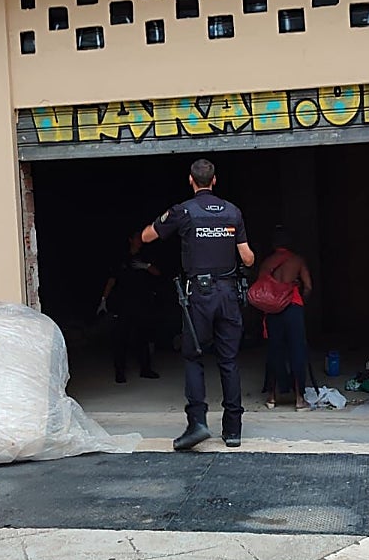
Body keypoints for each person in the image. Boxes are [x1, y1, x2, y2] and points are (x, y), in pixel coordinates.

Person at [142, 158, 254, 450]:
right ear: (214, 180)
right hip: (228, 294)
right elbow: (248, 259)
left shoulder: (184, 211)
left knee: (193, 357)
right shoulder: (233, 212)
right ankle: (233, 431)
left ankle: (198, 423)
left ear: (191, 180)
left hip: (199, 295)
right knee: (228, 361)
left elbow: (147, 236)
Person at [98, 231, 162, 384]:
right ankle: (120, 372)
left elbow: (158, 273)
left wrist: (146, 266)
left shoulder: (146, 256)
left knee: (143, 338)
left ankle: (145, 369)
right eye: (137, 238)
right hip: (123, 304)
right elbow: (112, 280)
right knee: (121, 338)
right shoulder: (121, 258)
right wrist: (103, 299)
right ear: (130, 240)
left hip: (142, 303)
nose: (139, 241)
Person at [261, 226, 313, 410]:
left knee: (275, 350)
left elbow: (262, 288)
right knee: (297, 351)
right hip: (293, 307)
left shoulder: (267, 262)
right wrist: (300, 301)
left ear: (274, 244)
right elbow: (308, 287)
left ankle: (272, 397)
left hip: (274, 310)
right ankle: (299, 399)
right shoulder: (297, 260)